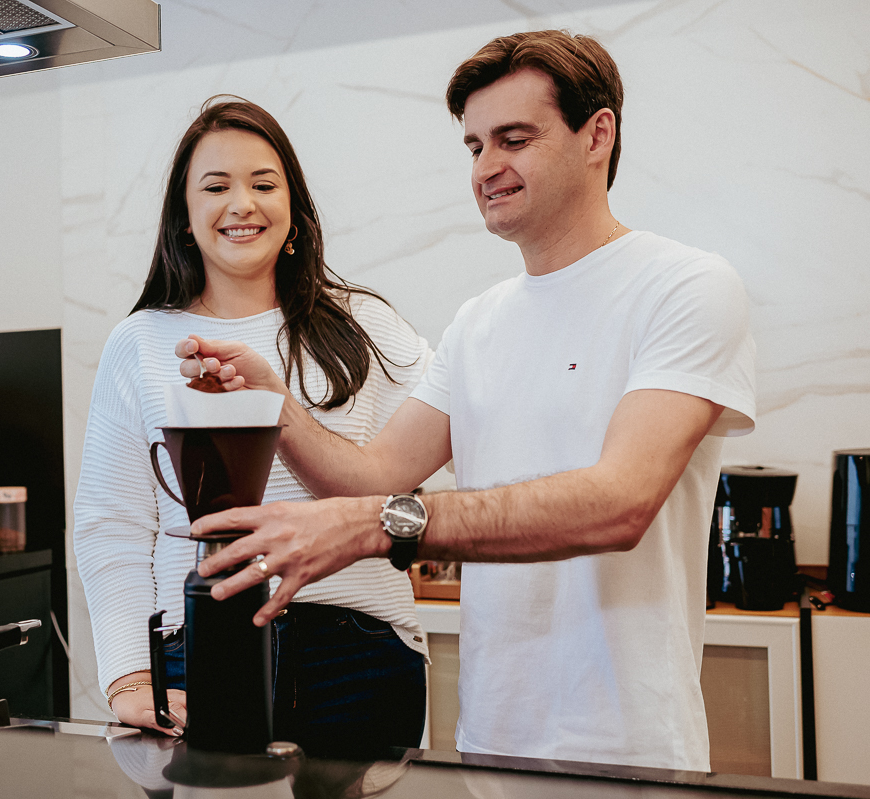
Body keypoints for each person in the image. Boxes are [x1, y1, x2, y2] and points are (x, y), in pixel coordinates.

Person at [177, 32, 756, 772]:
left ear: (596, 135)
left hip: (628, 741)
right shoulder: (479, 321)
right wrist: (276, 403)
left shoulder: (686, 287)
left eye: (514, 139)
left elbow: (621, 501)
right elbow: (377, 474)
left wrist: (375, 527)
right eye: (474, 146)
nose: (487, 168)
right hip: (490, 738)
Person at [73, 97, 432, 756]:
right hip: (200, 650)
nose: (242, 203)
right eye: (216, 187)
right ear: (184, 219)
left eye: (264, 184)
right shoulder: (142, 342)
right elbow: (112, 522)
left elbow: (440, 485)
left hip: (361, 655)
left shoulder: (368, 328)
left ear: (293, 210)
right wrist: (129, 673)